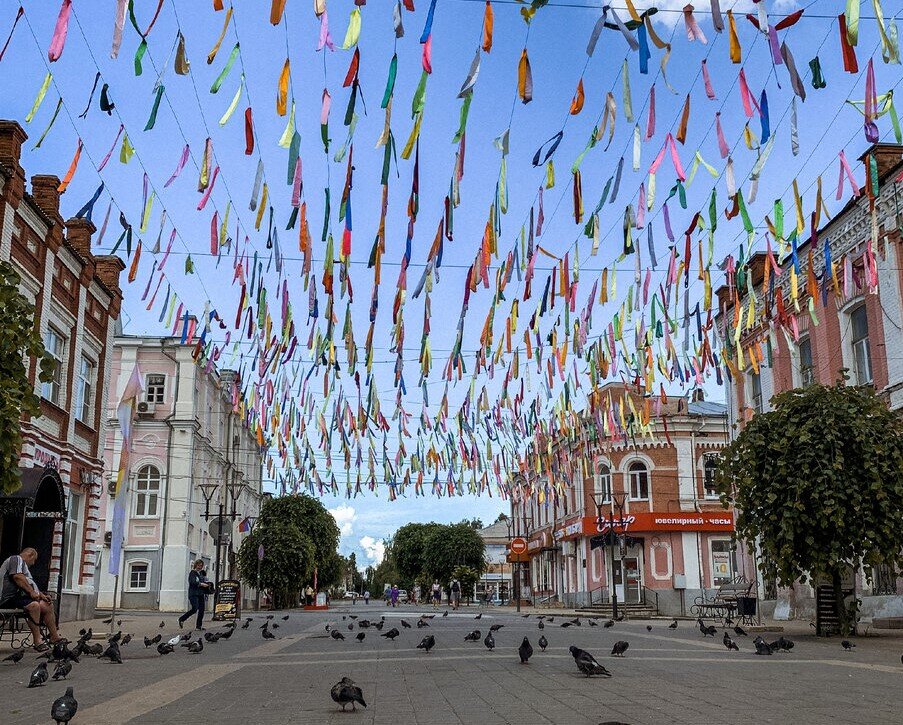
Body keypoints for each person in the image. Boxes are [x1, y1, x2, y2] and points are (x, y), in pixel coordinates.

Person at [0, 548, 61, 651]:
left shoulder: (23, 567)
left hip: (15, 598)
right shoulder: (16, 559)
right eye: (34, 560)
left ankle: (54, 637)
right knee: (34, 606)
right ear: (30, 555)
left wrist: (41, 595)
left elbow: (30, 584)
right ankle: (38, 641)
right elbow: (18, 577)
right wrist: (32, 592)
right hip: (5, 598)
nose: (33, 564)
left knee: (46, 604)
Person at [178, 559, 211, 631]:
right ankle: (182, 619)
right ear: (195, 565)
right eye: (199, 565)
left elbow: (204, 580)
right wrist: (201, 584)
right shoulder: (192, 573)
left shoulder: (201, 573)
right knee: (194, 609)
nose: (200, 567)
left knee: (201, 610)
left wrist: (207, 584)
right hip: (193, 594)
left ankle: (198, 626)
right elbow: (192, 582)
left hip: (201, 593)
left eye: (201, 566)